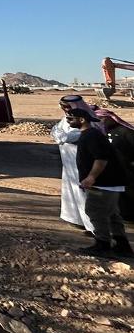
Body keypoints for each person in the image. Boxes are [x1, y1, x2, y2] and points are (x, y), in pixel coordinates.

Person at [66, 108, 131, 257]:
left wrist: (91, 177)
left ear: (82, 120)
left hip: (103, 183)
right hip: (109, 183)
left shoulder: (91, 136)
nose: (68, 121)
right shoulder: (91, 134)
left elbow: (101, 158)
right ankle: (122, 245)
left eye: (70, 119)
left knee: (95, 211)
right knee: (112, 214)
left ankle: (103, 244)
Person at [53, 100, 94, 235]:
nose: (65, 109)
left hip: (80, 164)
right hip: (68, 163)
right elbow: (55, 131)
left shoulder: (86, 120)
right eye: (63, 107)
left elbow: (67, 136)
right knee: (71, 192)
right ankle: (77, 220)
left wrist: (61, 135)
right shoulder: (66, 119)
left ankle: (93, 228)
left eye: (67, 106)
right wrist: (60, 135)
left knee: (83, 194)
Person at [96, 107, 134, 223]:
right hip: (113, 170)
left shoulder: (126, 132)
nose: (99, 122)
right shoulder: (102, 133)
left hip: (129, 169)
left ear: (110, 118)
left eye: (101, 119)